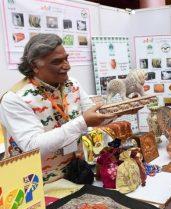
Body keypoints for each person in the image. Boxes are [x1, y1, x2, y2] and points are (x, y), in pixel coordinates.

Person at [0, 34, 115, 183]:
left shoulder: (71, 84)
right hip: (33, 186)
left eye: (66, 58)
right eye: (57, 62)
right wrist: (82, 122)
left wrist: (121, 110)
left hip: (73, 173)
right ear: (34, 66)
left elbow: (94, 115)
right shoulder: (15, 99)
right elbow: (32, 147)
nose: (67, 66)